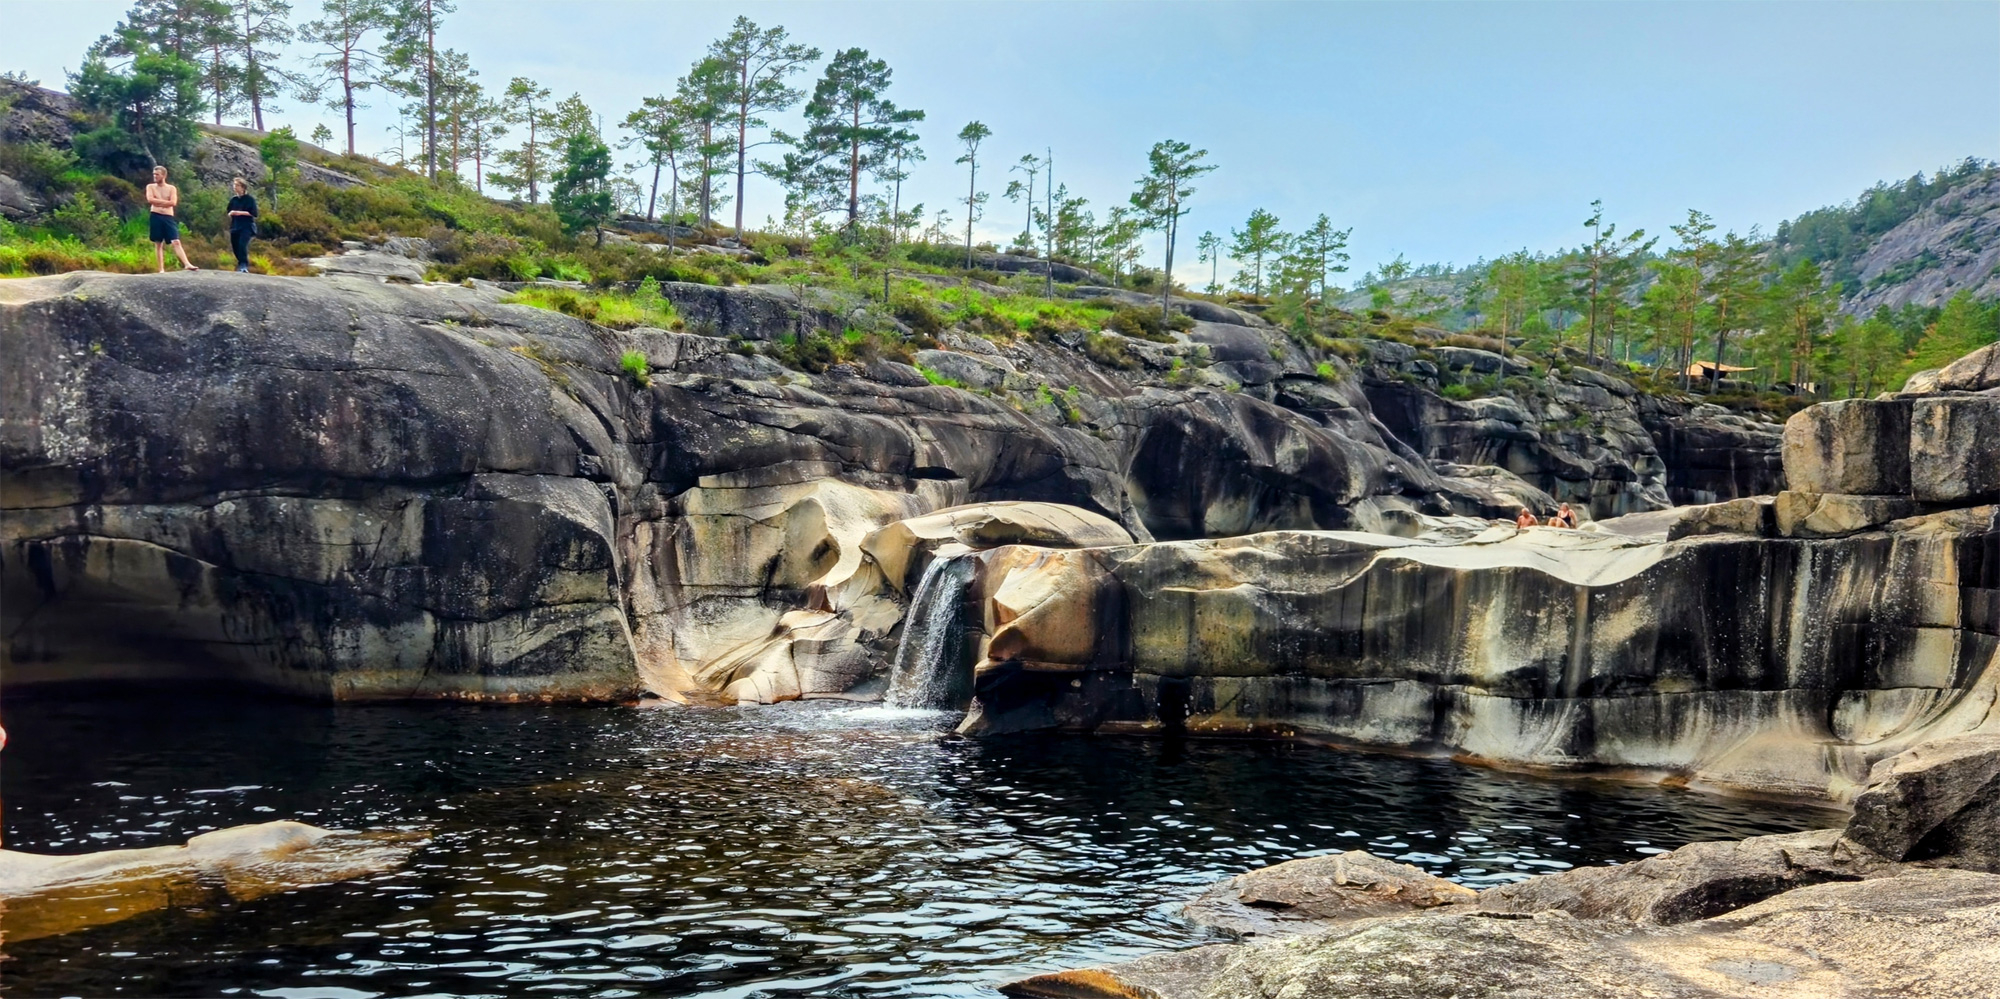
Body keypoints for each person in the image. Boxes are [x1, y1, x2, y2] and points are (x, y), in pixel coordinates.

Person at [146, 164, 199, 273]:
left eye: (157, 174)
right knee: (158, 243)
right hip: (155, 215)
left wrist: (159, 202)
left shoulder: (171, 188)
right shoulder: (150, 187)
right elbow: (150, 200)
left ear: (164, 175)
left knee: (176, 241)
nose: (155, 176)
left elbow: (173, 202)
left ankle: (187, 264)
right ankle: (161, 269)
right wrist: (166, 202)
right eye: (154, 174)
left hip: (168, 217)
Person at [226, 177, 259, 272]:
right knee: (235, 246)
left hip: (246, 227)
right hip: (235, 226)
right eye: (234, 185)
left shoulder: (250, 199)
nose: (235, 187)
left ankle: (244, 265)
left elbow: (254, 213)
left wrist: (239, 213)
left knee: (242, 245)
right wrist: (231, 213)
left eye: (237, 185)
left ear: (243, 187)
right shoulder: (234, 200)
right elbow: (228, 211)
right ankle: (240, 263)